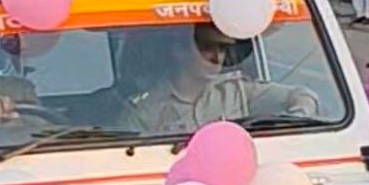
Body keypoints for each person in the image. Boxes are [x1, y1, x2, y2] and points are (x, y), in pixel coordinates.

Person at [127, 24, 318, 135]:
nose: (217, 57)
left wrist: (294, 120)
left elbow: (302, 96)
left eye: (222, 49)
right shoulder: (146, 110)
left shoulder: (236, 91)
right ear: (180, 51)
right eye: (207, 48)